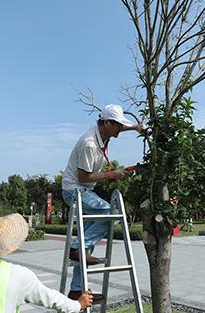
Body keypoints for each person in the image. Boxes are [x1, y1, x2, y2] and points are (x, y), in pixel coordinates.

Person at [62, 104, 145, 301]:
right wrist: (112, 173)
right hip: (74, 190)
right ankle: (75, 248)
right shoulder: (89, 143)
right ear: (106, 123)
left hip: (84, 190)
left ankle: (76, 290)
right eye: (117, 126)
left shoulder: (105, 135)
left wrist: (135, 127)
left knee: (87, 242)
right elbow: (83, 177)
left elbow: (121, 128)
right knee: (112, 213)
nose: (119, 130)